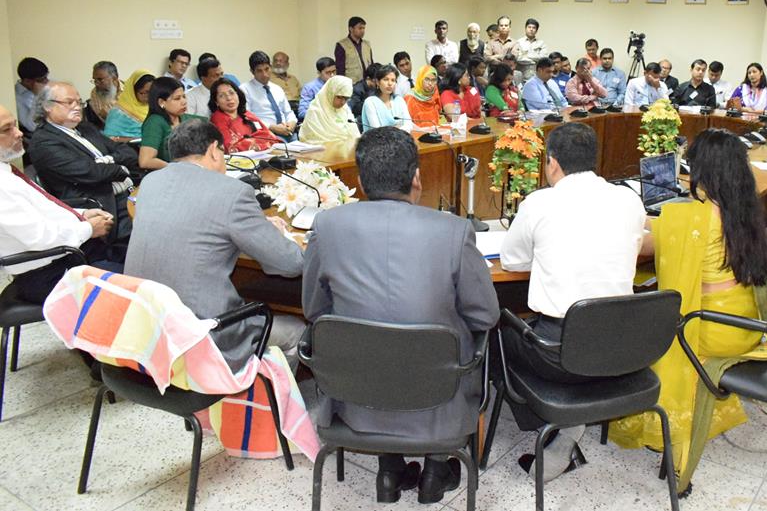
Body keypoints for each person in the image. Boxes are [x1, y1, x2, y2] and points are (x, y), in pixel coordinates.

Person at [301, 126, 499, 504]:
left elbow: (314, 310)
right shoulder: (455, 232)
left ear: (360, 182)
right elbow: (485, 316)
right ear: (416, 178)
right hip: (438, 398)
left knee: (371, 335)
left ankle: (389, 470)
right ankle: (436, 471)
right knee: (456, 334)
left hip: (356, 396)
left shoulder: (325, 227)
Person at [608, 128, 767, 495]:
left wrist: (625, 219)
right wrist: (656, 221)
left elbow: (640, 246)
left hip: (710, 330)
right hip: (746, 324)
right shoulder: (743, 208)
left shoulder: (693, 219)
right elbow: (669, 230)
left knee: (643, 324)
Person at [500, 122, 646, 482]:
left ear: (552, 162)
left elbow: (511, 261)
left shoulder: (540, 202)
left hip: (560, 355)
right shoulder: (630, 199)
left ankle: (552, 424)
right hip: (622, 347)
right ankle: (566, 423)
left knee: (497, 330)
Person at [126, 120, 304, 367]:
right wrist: (271, 234)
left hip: (147, 326)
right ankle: (261, 391)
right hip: (203, 332)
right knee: (298, 332)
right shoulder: (233, 192)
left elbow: (195, 225)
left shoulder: (150, 183)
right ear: (213, 150)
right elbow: (290, 264)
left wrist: (254, 227)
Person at [0, 103, 117, 302]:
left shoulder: (6, 171)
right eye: (6, 129)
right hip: (49, 273)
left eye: (15, 125)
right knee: (137, 279)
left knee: (127, 252)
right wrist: (88, 228)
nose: (19, 133)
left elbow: (42, 209)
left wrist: (80, 214)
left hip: (63, 255)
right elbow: (39, 237)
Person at [28, 81, 136, 254]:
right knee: (153, 229)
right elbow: (93, 173)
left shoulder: (85, 128)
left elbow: (128, 152)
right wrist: (122, 169)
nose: (77, 107)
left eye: (79, 102)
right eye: (69, 102)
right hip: (105, 204)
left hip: (130, 191)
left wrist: (107, 160)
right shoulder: (44, 142)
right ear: (47, 106)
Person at [139, 77, 204, 171]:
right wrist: (175, 168)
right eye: (177, 98)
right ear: (162, 102)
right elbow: (145, 161)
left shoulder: (187, 119)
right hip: (167, 175)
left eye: (184, 97)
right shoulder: (155, 122)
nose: (184, 102)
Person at [208, 79, 281, 153]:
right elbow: (229, 147)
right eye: (222, 96)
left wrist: (252, 142)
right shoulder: (217, 118)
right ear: (216, 102)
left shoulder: (247, 114)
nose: (229, 98)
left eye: (231, 93)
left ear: (238, 95)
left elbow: (272, 138)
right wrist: (261, 143)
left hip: (265, 154)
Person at [240, 51, 297, 140]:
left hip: (288, 131)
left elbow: (288, 112)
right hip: (266, 134)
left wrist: (292, 122)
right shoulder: (244, 89)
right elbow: (247, 119)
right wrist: (271, 127)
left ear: (270, 67)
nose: (265, 74)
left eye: (267, 69)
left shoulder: (277, 88)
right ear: (252, 71)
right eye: (259, 71)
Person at [300, 75, 360, 143]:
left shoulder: (346, 110)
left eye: (346, 98)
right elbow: (312, 141)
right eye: (339, 97)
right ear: (330, 93)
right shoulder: (315, 112)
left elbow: (355, 136)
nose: (343, 102)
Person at [104, 70, 154, 141]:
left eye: (152, 92)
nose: (148, 97)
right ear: (133, 91)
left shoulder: (154, 107)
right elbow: (109, 139)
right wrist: (137, 139)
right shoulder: (118, 113)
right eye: (144, 93)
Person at [362, 64, 413, 132]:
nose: (390, 83)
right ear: (378, 82)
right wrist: (398, 128)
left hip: (401, 137)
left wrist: (393, 130)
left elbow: (409, 125)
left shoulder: (399, 100)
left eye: (393, 80)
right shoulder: (370, 102)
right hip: (379, 139)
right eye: (386, 79)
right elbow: (377, 130)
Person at [14, 57, 49, 134]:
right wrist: (38, 95)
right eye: (42, 79)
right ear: (27, 81)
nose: (46, 81)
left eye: (46, 77)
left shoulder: (47, 85)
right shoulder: (16, 97)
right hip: (40, 134)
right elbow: (32, 127)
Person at [335, 16, 373, 84]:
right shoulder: (342, 45)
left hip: (367, 83)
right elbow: (340, 69)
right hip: (351, 84)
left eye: (364, 28)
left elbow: (371, 64)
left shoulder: (367, 44)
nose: (362, 31)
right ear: (351, 29)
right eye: (360, 28)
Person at [85, 61, 120, 129]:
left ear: (114, 78)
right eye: (95, 80)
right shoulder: (95, 93)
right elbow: (101, 119)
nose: (97, 84)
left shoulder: (130, 91)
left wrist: (111, 117)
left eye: (100, 79)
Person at [513, 18, 547, 82]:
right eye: (529, 27)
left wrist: (527, 55)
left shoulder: (541, 43)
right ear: (525, 28)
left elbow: (543, 59)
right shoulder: (518, 42)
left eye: (534, 28)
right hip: (522, 78)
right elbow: (518, 58)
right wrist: (534, 61)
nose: (531, 29)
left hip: (537, 78)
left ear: (536, 30)